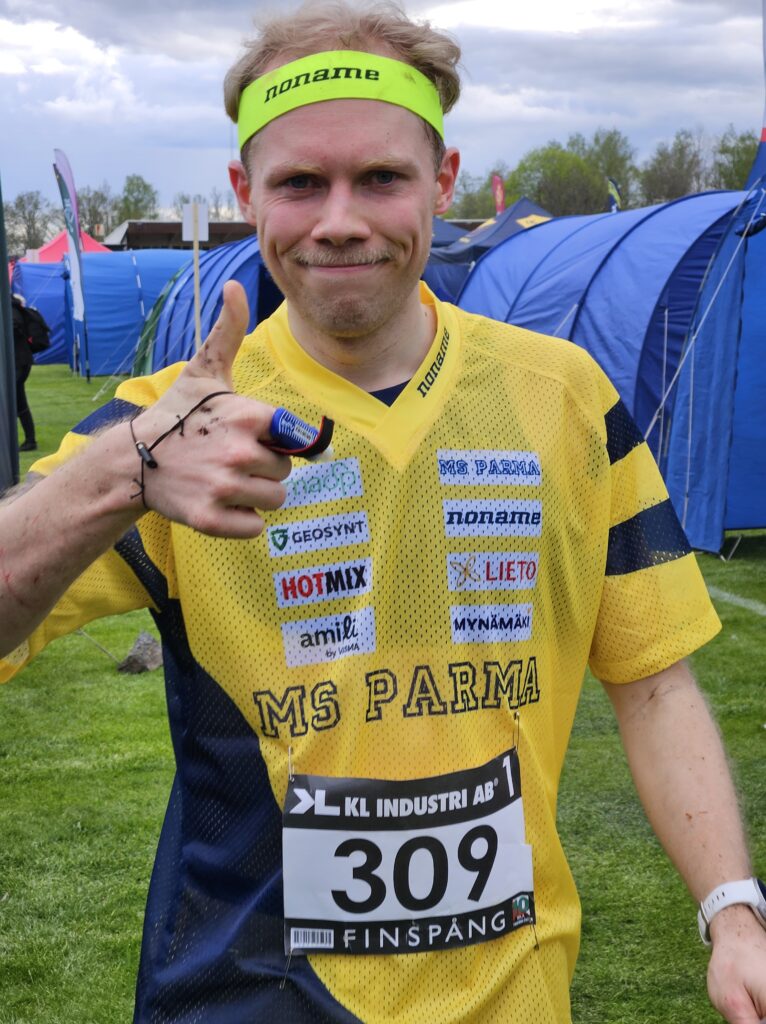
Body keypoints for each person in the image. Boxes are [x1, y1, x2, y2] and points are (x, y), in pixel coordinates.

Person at [1, 3, 764, 1021]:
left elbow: (654, 683)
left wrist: (732, 910)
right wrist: (126, 471)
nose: (340, 220)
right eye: (299, 183)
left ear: (443, 181)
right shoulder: (174, 424)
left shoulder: (566, 398)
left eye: (380, 178)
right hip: (248, 1000)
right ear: (243, 191)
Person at [11, 293, 41, 451]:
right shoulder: (13, 308)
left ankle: (29, 440)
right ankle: (30, 440)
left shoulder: (12, 309)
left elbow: (15, 327)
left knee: (15, 401)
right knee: (19, 401)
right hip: (18, 362)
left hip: (19, 363)